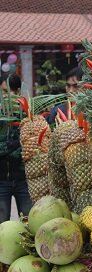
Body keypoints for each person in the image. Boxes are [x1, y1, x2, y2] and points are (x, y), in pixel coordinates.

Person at [0, 73, 32, 223]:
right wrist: (17, 144)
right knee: (2, 226)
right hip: (1, 181)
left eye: (13, 92)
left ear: (19, 92)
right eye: (5, 92)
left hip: (24, 181)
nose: (9, 97)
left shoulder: (28, 117)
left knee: (29, 222)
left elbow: (32, 148)